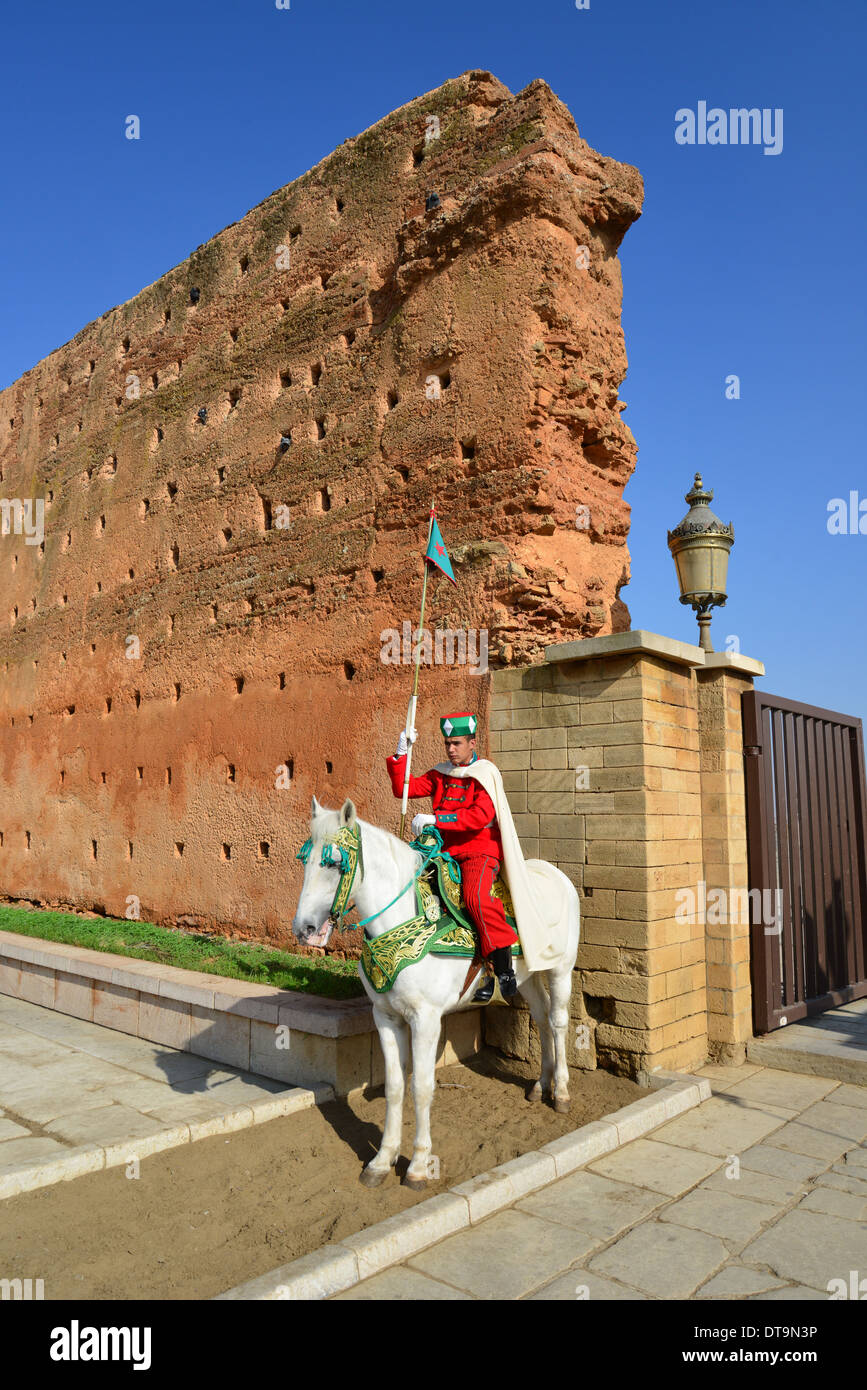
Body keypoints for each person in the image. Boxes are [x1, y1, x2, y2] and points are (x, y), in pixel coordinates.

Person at [386, 711, 518, 1001]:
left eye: (457, 743)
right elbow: (403, 789)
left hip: (479, 850)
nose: (451, 749)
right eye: (447, 743)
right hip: (443, 850)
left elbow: (478, 816)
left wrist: (436, 820)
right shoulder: (440, 773)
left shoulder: (485, 774)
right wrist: (401, 752)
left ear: (473, 743)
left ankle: (502, 968)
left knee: (474, 898)